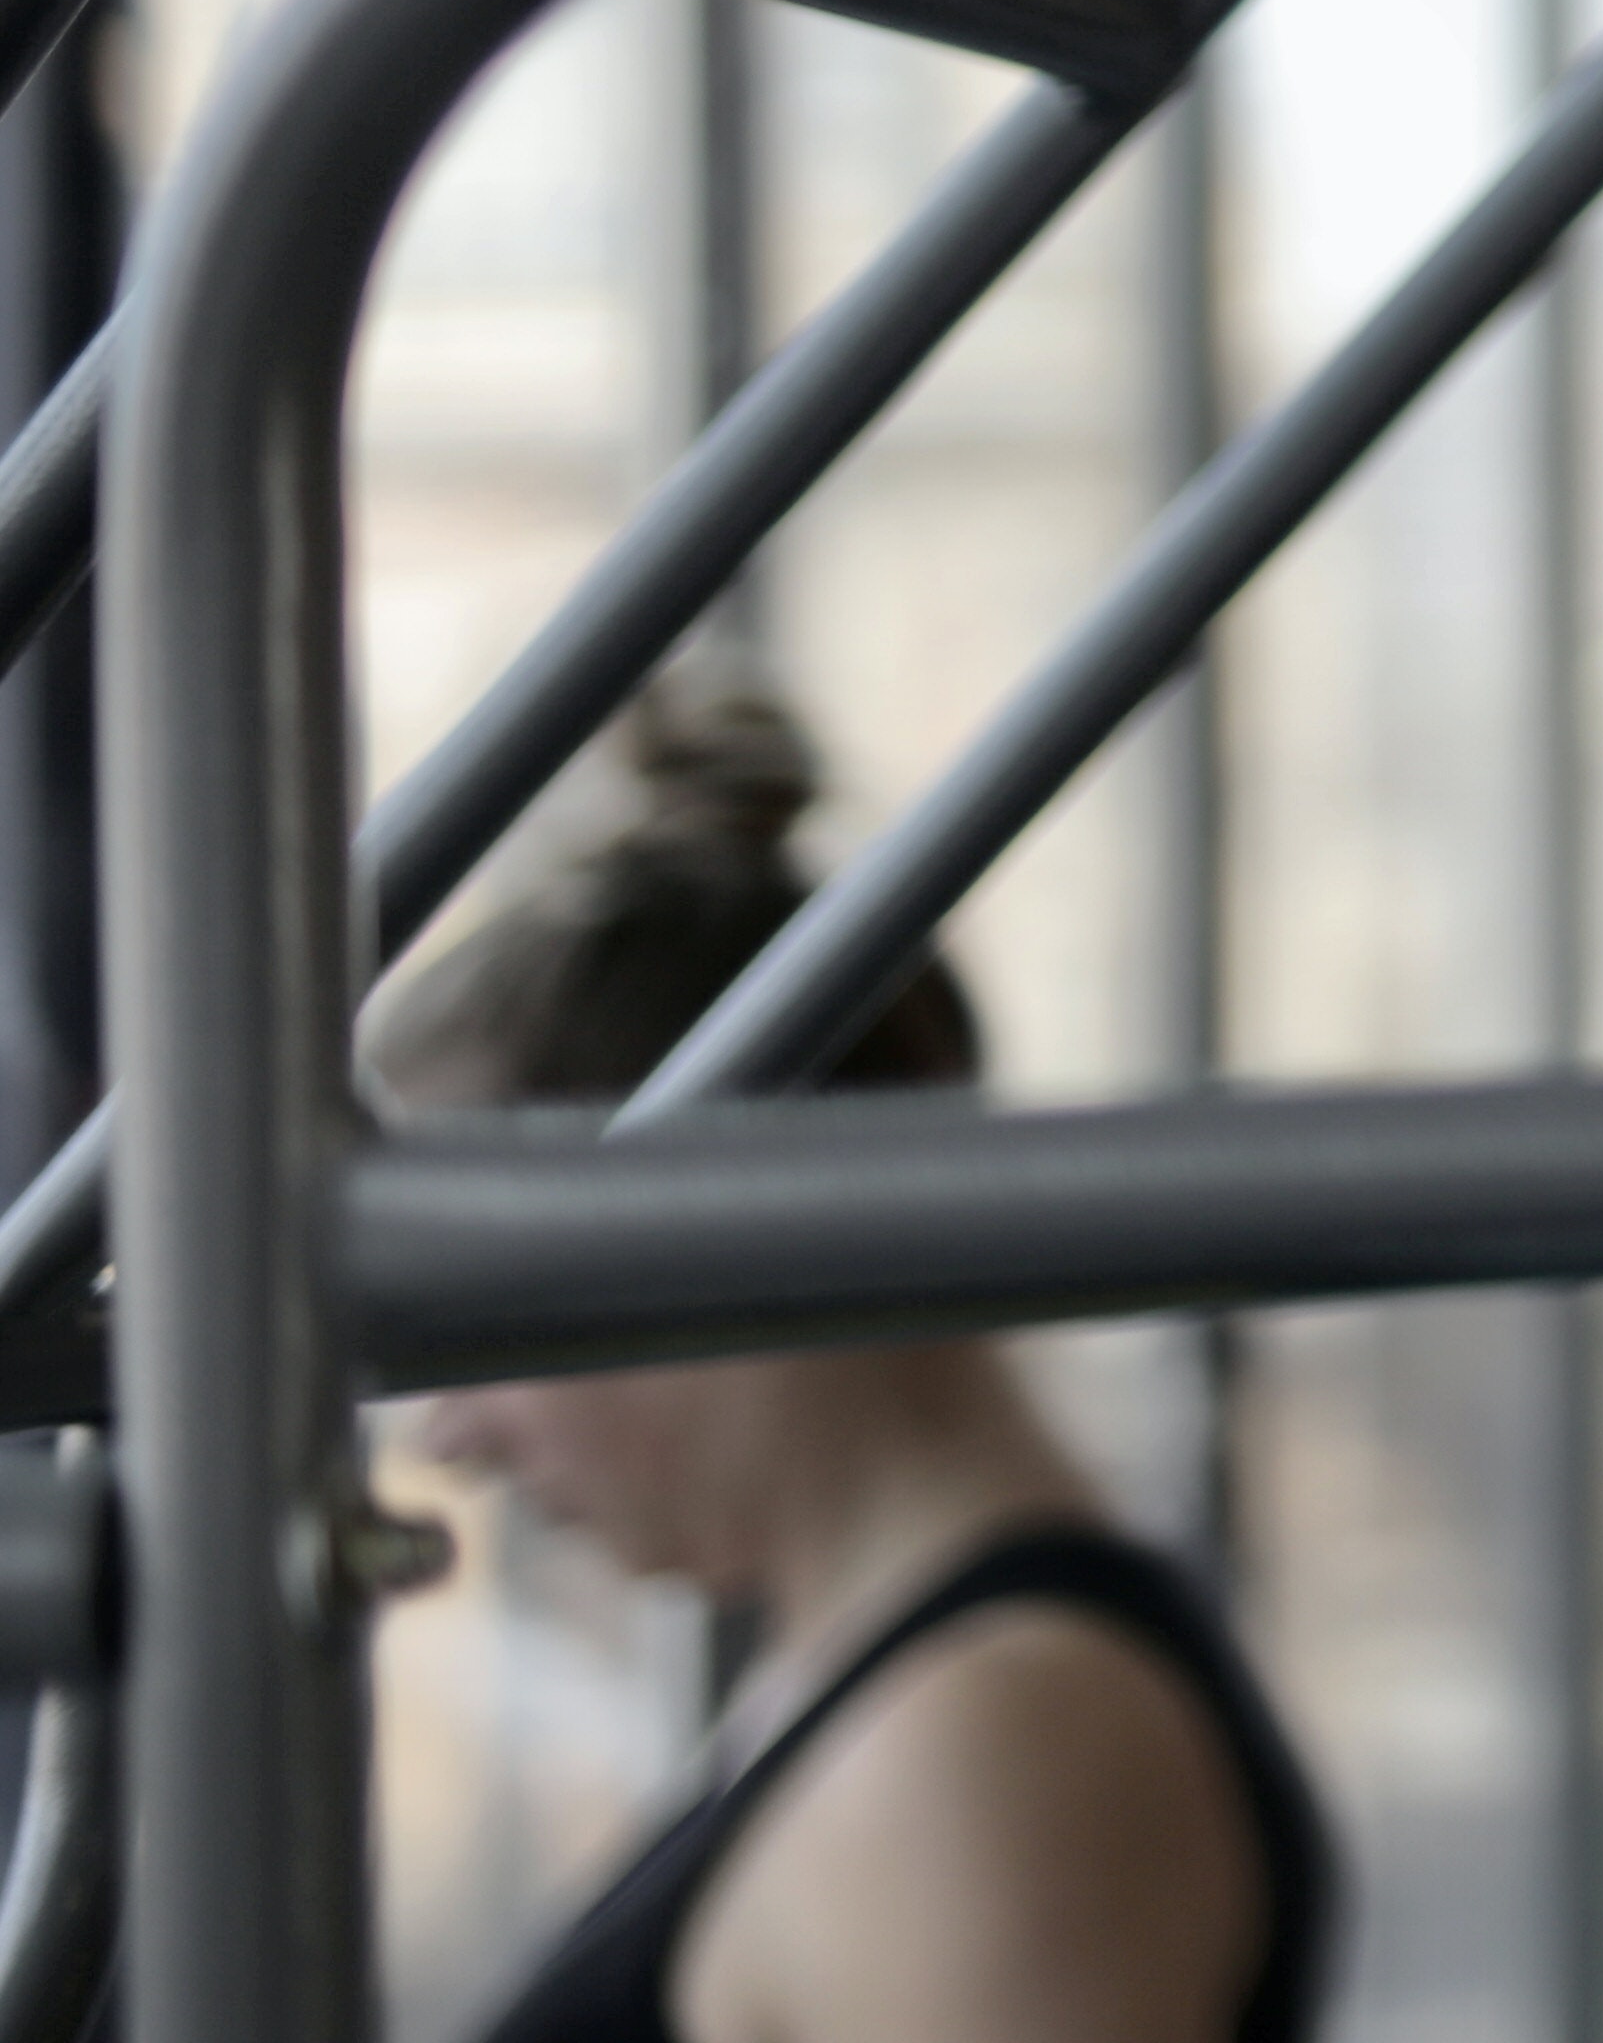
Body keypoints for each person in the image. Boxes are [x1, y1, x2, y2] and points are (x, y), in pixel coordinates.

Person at [376, 678, 1332, 2043]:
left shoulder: (986, 1747)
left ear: (716, 1241)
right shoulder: (876, 1685)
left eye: (477, 1331)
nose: (447, 1435)